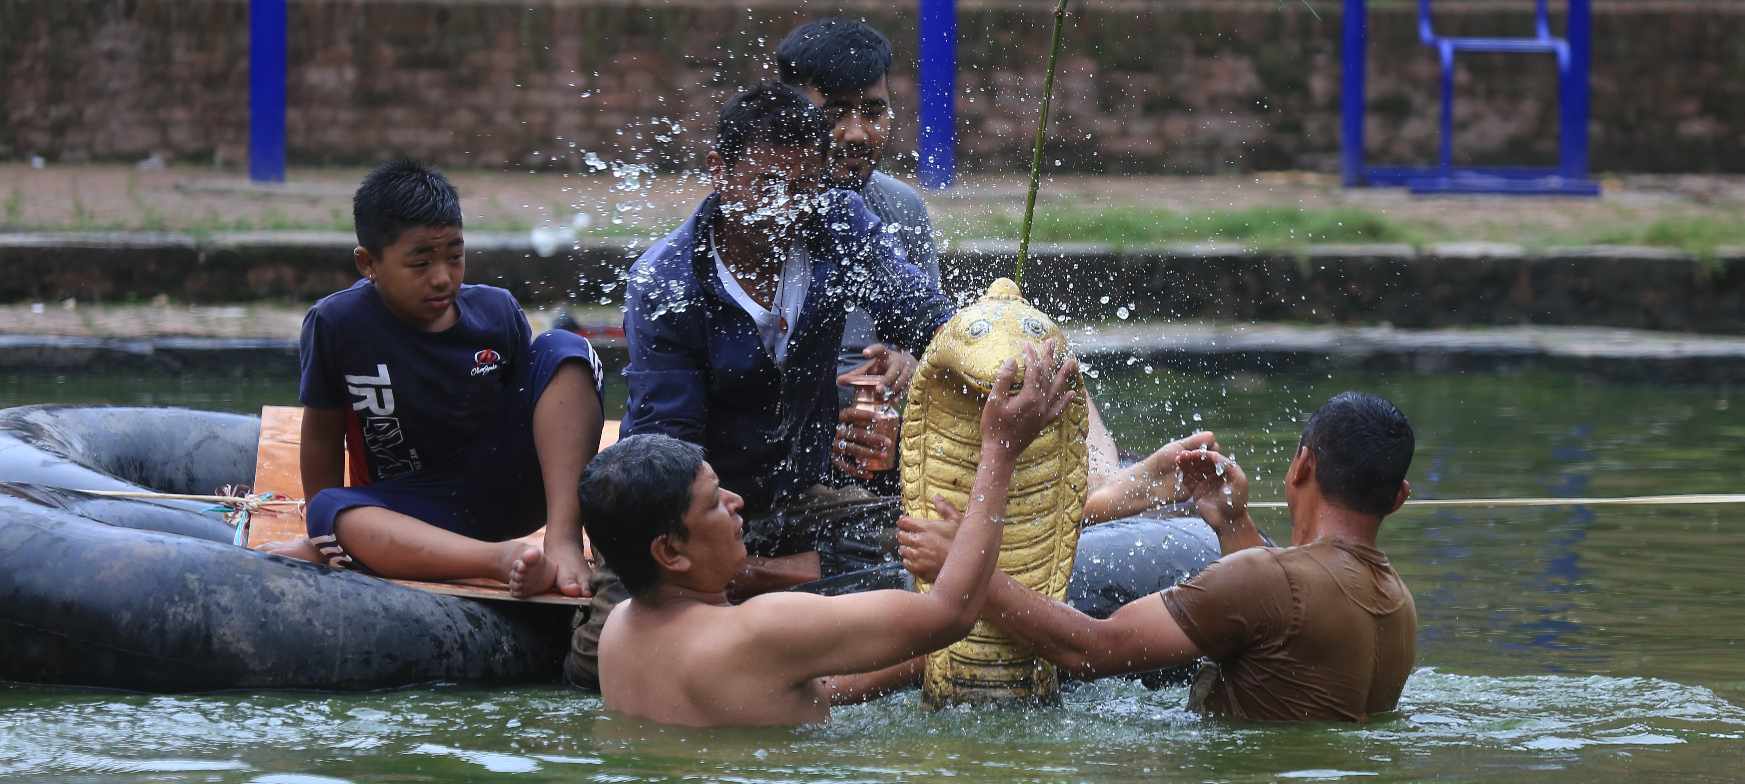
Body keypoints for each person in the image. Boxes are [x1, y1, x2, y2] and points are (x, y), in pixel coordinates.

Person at [564, 81, 955, 689]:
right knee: (597, 665)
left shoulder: (839, 224)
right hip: (696, 503)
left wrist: (983, 350)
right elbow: (672, 444)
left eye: (805, 188)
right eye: (771, 187)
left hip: (799, 495)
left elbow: (925, 318)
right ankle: (770, 582)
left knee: (911, 552)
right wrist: (709, 550)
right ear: (719, 169)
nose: (791, 209)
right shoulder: (668, 283)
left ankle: (761, 580)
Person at [589, 343, 1078, 727]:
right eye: (715, 500)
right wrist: (1001, 450)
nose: (736, 502)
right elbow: (949, 614)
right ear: (670, 551)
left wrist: (916, 662)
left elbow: (786, 688)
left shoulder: (619, 632)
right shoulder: (760, 627)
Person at [899, 391, 1419, 722]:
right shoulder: (1398, 603)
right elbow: (1277, 624)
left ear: (1301, 465)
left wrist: (966, 569)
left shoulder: (1268, 582)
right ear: (1399, 497)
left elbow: (1093, 650)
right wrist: (1233, 523)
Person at [261, 160, 606, 599]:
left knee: (565, 349)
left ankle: (562, 541)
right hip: (410, 510)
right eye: (420, 263)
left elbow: (544, 407)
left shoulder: (497, 313)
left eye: (455, 257)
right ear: (369, 263)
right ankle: (500, 560)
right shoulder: (338, 324)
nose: (442, 278)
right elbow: (321, 437)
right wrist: (318, 538)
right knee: (329, 509)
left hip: (511, 491)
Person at [774, 18, 944, 484]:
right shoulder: (760, 220)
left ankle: (1099, 481)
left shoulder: (901, 208)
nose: (857, 133)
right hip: (779, 454)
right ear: (790, 114)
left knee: (1038, 356)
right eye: (834, 114)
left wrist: (909, 365)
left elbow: (935, 341)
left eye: (873, 111)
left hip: (877, 439)